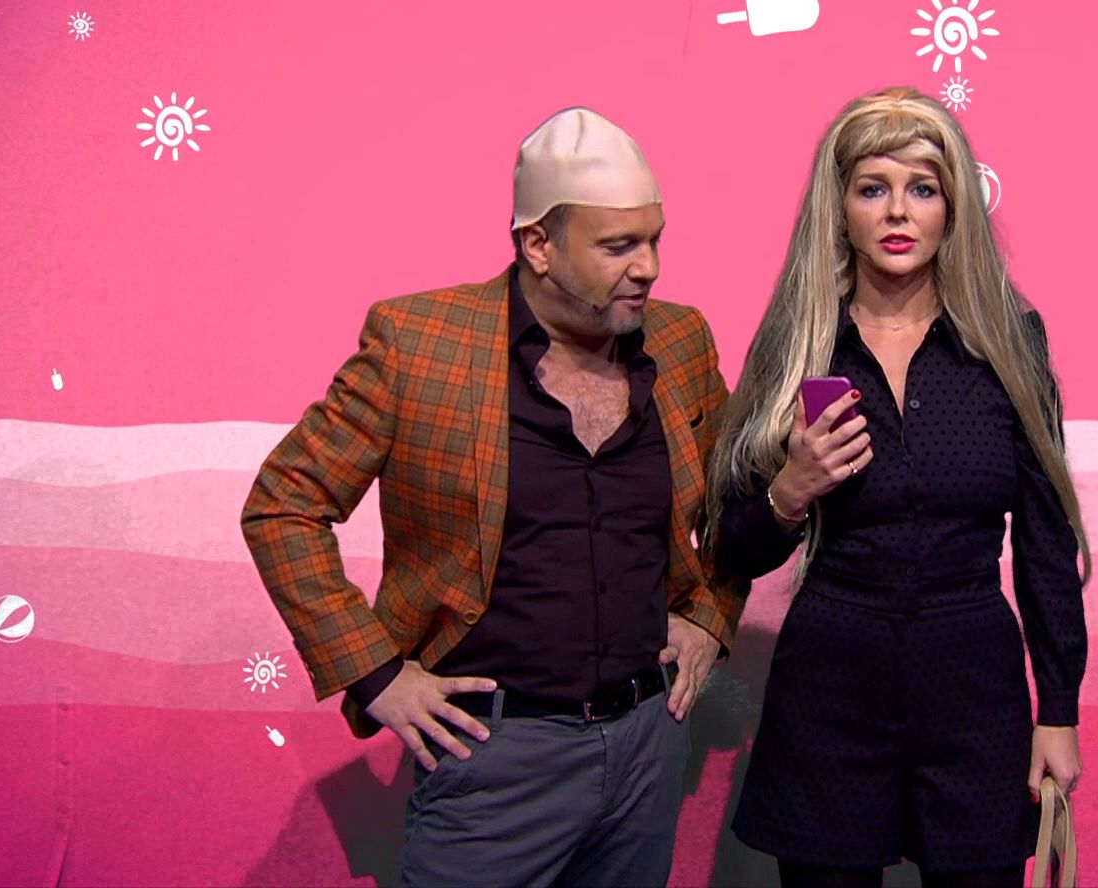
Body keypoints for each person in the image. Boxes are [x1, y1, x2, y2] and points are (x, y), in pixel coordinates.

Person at [241, 105, 747, 887]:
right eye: (618, 246)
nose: (648, 267)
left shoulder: (679, 341)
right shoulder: (418, 343)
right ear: (538, 245)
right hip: (494, 756)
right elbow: (284, 504)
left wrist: (710, 616)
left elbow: (739, 500)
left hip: (649, 743)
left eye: (654, 239)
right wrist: (376, 675)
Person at [703, 87, 1091, 887]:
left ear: (954, 207)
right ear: (839, 207)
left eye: (923, 189)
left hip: (974, 689)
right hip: (829, 690)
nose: (897, 213)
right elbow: (730, 546)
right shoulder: (800, 343)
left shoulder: (1009, 342)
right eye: (872, 188)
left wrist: (1058, 710)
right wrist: (791, 490)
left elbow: (1047, 547)